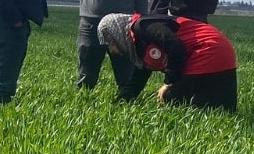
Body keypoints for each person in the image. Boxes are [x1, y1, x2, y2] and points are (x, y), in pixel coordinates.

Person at [97, 11, 237, 112]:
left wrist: (168, 83)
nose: (113, 51)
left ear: (115, 33)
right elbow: (139, 77)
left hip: (208, 49)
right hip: (223, 51)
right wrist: (119, 102)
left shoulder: (143, 27)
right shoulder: (138, 43)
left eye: (110, 43)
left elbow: (175, 47)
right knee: (223, 109)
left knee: (170, 100)